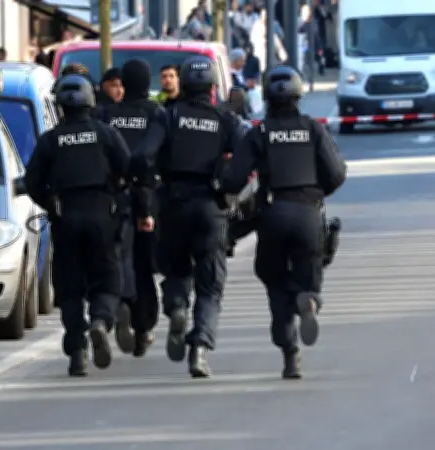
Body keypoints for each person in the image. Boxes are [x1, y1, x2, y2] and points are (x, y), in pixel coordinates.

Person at [221, 65, 346, 379]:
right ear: (298, 94)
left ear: (266, 97)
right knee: (310, 267)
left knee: (274, 281)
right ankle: (309, 298)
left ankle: (290, 352)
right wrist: (316, 192)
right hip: (308, 214)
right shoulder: (313, 129)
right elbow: (336, 174)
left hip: (273, 214)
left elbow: (234, 180)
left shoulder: (260, 132)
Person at [133, 56, 246, 378]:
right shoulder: (225, 119)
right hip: (210, 207)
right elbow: (246, 157)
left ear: (182, 84)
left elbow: (143, 156)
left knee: (175, 268)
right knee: (210, 284)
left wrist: (147, 182)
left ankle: (177, 307)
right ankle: (199, 348)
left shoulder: (168, 115)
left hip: (172, 204)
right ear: (212, 87)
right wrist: (229, 187)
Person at [23, 74, 131, 377]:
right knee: (107, 279)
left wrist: (50, 203)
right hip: (102, 216)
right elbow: (128, 168)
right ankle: (100, 321)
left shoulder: (51, 140)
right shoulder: (106, 134)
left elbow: (32, 182)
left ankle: (77, 352)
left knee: (69, 287)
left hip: (66, 218)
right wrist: (119, 198)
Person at [97, 59, 165, 358]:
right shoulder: (157, 114)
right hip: (149, 197)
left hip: (114, 197)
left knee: (118, 256)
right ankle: (143, 327)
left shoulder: (107, 114)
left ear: (124, 82)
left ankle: (122, 302)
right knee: (144, 265)